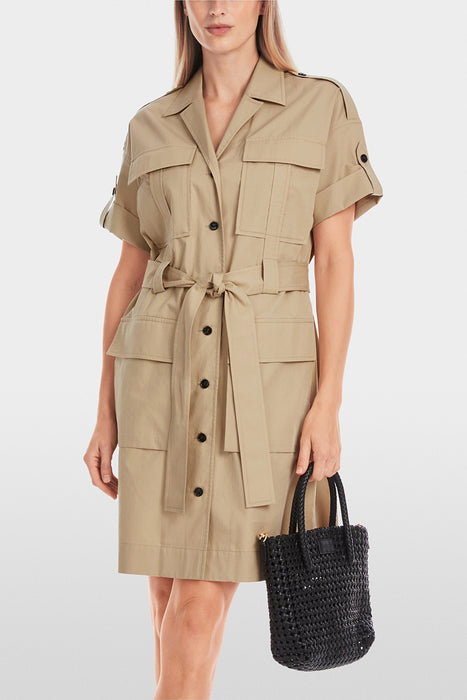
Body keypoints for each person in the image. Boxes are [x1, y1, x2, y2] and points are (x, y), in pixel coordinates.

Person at [83, 1, 383, 697]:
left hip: (263, 394)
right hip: (159, 381)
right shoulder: (151, 123)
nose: (217, 6)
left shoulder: (322, 106)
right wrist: (104, 413)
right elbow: (129, 275)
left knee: (192, 612)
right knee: (166, 604)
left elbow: (334, 262)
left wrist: (328, 404)